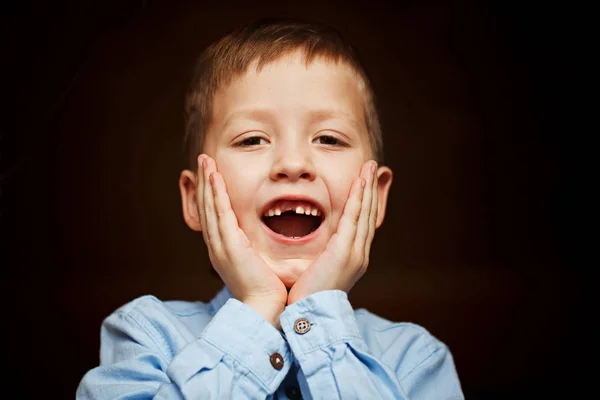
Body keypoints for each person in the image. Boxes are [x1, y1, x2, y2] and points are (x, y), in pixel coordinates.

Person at [77, 18, 464, 399]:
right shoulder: (146, 337)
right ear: (195, 199)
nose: (293, 163)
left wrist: (320, 313)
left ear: (377, 197)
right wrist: (259, 307)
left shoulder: (416, 361)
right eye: (252, 140)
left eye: (328, 138)